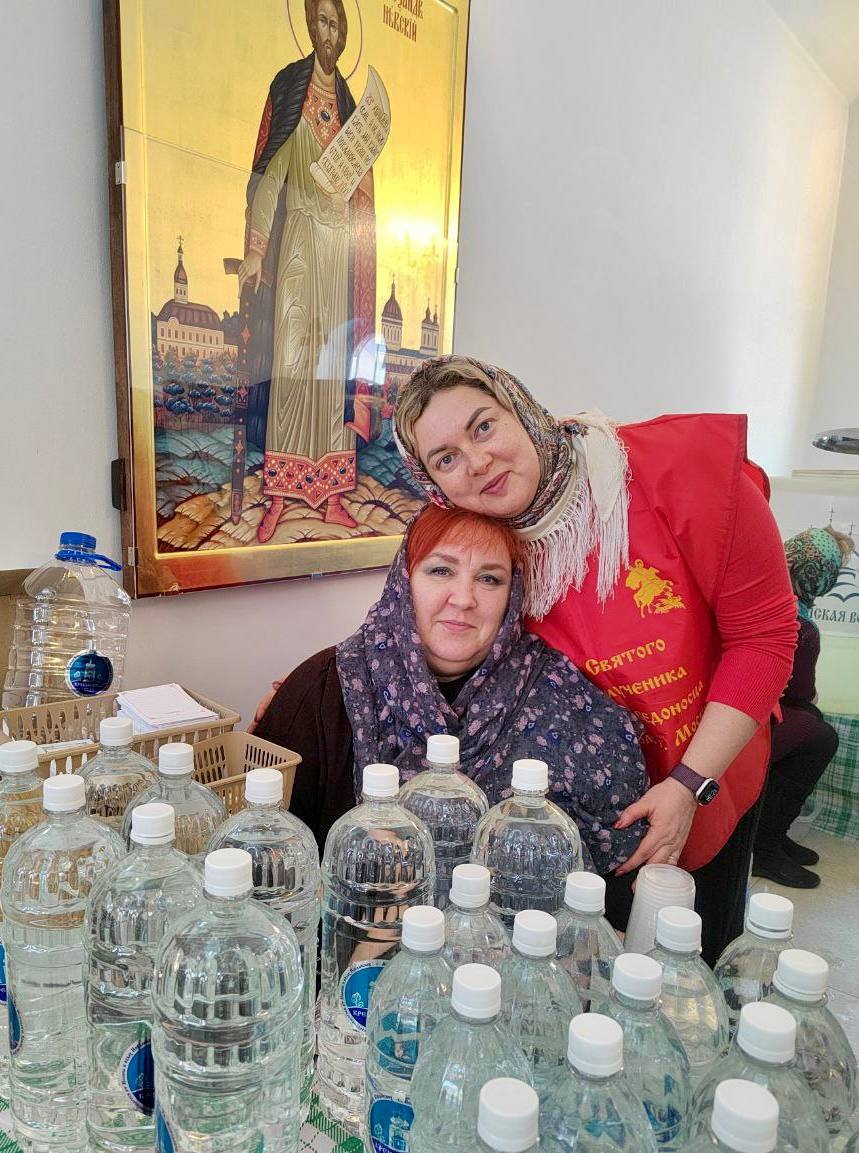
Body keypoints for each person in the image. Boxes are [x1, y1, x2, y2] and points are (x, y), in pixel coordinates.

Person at [392, 355, 798, 964]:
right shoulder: (489, 538)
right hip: (582, 805)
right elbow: (427, 621)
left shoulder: (681, 471)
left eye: (484, 427)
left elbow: (765, 638)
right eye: (445, 458)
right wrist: (329, 679)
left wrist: (689, 784)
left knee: (691, 962)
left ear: (523, 410)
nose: (477, 462)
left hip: (709, 763)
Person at [253, 503, 649, 882]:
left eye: (489, 579)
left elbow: (618, 857)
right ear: (404, 580)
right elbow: (267, 861)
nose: (463, 599)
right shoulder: (324, 690)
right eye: (441, 571)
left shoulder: (558, 695)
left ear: (512, 595)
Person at [239, 0, 378, 540]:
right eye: (321, 20)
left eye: (336, 24)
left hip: (339, 251)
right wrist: (256, 248)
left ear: (343, 35)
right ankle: (280, 495)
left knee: (332, 365)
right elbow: (269, 178)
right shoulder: (290, 90)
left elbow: (362, 197)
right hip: (297, 243)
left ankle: (333, 494)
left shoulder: (349, 109)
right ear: (309, 26)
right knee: (293, 361)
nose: (328, 32)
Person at [752, 525, 854, 888]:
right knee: (819, 736)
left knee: (811, 724)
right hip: (740, 721)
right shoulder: (800, 624)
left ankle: (770, 835)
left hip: (721, 708)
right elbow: (799, 693)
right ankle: (764, 846)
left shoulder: (758, 588)